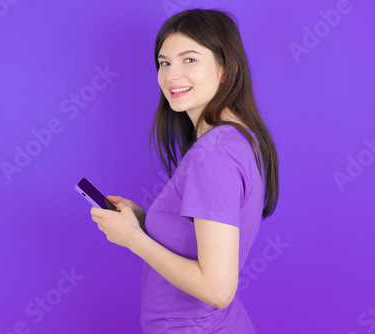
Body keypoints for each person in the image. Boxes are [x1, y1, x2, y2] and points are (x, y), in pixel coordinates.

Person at [90, 8, 279, 333]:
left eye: (189, 59)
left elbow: (217, 290)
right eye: (164, 63)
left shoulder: (214, 154)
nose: (171, 75)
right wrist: (146, 222)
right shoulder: (237, 139)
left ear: (227, 69)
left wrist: (133, 239)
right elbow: (201, 237)